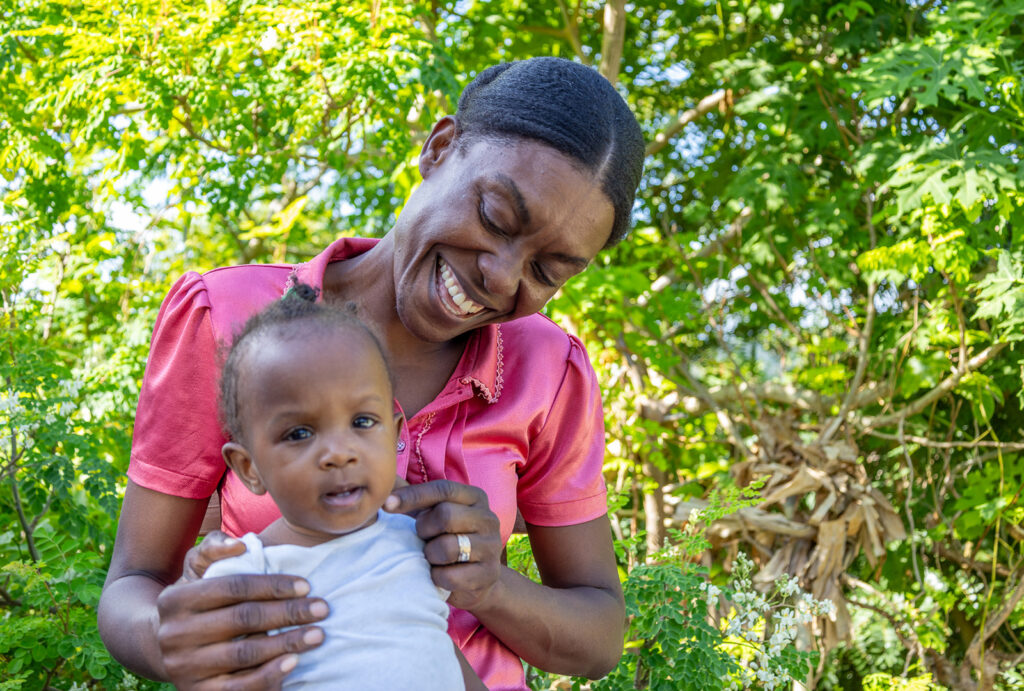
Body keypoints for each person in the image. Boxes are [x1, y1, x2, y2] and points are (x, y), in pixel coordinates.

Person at [98, 55, 645, 691]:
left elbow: (600, 634)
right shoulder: (228, 320)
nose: (501, 275)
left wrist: (491, 586)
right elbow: (133, 583)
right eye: (495, 216)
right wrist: (175, 642)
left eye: (548, 271)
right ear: (439, 149)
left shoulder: (548, 373)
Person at [200, 287, 483, 690]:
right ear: (250, 468)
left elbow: (436, 650)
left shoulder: (420, 540)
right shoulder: (247, 577)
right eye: (299, 432)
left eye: (363, 422)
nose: (338, 453)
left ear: (394, 436)